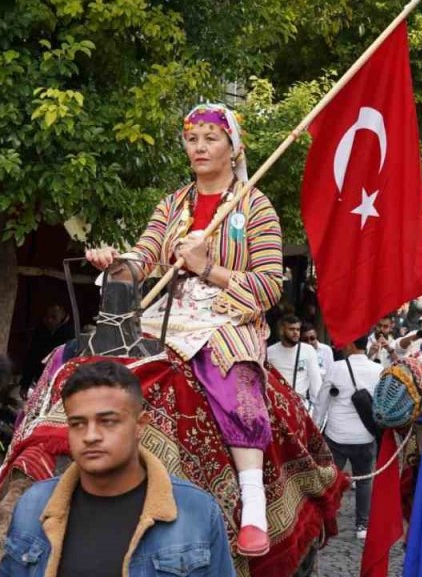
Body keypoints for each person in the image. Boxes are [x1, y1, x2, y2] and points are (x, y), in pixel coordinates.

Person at [85, 103, 282, 556]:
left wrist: (206, 267)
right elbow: (144, 258)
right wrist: (116, 263)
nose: (199, 147)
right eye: (192, 139)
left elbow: (270, 285)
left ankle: (252, 504)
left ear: (234, 148)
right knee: (91, 356)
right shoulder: (172, 204)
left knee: (231, 373)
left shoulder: (255, 206)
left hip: (229, 317)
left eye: (211, 139)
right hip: (169, 315)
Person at [0, 360, 236, 576]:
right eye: (78, 423)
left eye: (108, 422)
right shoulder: (36, 507)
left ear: (139, 426)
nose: (90, 436)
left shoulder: (195, 513)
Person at [312, 336, 382, 540]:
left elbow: (321, 401)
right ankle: (362, 525)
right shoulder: (378, 369)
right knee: (365, 481)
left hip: (337, 435)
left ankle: (325, 519)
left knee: (329, 480)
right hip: (365, 436)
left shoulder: (336, 368)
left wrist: (315, 429)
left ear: (351, 345)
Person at [266, 316, 322, 411]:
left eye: (298, 329)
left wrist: (318, 411)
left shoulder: (308, 350)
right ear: (281, 330)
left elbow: (316, 383)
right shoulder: (270, 352)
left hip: (300, 405)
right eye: (291, 329)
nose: (296, 333)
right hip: (277, 407)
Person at [22, 302, 76, 394]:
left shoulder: (71, 333)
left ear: (63, 316)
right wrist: (25, 384)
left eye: (54, 317)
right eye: (47, 316)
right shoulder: (41, 331)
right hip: (40, 378)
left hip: (60, 381)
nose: (49, 320)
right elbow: (32, 357)